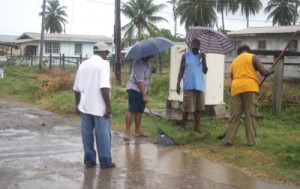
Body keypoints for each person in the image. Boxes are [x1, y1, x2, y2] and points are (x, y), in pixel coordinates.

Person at [73, 41, 115, 169]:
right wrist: (108, 105)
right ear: (102, 53)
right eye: (106, 53)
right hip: (99, 107)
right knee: (103, 134)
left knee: (87, 134)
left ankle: (89, 161)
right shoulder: (103, 64)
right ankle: (105, 161)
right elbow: (104, 86)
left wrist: (77, 104)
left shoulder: (83, 64)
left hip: (85, 106)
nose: (107, 56)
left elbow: (76, 88)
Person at [224, 44, 273, 146]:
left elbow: (233, 78)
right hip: (250, 88)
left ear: (239, 53)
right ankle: (251, 141)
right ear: (248, 51)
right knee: (250, 114)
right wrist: (270, 71)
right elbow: (264, 72)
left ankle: (229, 140)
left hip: (236, 89)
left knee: (235, 115)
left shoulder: (234, 61)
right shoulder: (252, 57)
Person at [176, 38, 208, 132]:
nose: (195, 49)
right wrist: (178, 84)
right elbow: (181, 70)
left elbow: (205, 71)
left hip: (199, 86)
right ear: (191, 47)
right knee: (187, 107)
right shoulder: (185, 56)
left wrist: (204, 59)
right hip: (189, 85)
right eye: (194, 48)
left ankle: (197, 127)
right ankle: (183, 126)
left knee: (199, 108)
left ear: (199, 48)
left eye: (197, 48)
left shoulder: (201, 57)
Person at [124, 55, 155, 141]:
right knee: (132, 108)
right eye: (149, 56)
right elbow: (139, 81)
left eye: (151, 56)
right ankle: (127, 133)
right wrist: (144, 95)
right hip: (134, 88)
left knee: (139, 110)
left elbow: (146, 75)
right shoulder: (138, 64)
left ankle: (138, 132)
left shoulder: (148, 62)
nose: (150, 58)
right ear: (144, 55)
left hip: (143, 89)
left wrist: (152, 70)